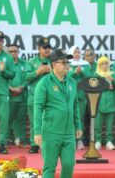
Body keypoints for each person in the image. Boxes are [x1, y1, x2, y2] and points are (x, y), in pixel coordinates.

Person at [34, 49, 82, 178]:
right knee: (49, 167)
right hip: (51, 132)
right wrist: (37, 131)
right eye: (64, 62)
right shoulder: (44, 83)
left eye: (68, 61)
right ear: (54, 64)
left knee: (68, 165)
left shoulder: (72, 82)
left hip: (69, 133)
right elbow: (37, 108)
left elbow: (75, 105)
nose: (67, 64)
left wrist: (78, 125)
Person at [25, 37, 52, 154]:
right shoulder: (31, 62)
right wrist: (38, 71)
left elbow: (63, 74)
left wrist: (52, 71)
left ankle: (49, 143)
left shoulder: (54, 60)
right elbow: (26, 77)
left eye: (49, 47)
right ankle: (34, 144)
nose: (47, 50)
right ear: (39, 48)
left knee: (50, 120)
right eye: (44, 47)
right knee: (34, 121)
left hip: (51, 96)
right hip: (35, 95)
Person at [68, 46, 90, 150]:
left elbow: (89, 78)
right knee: (69, 119)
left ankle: (79, 140)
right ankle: (70, 140)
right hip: (69, 96)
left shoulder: (85, 64)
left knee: (79, 119)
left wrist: (80, 71)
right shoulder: (67, 64)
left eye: (78, 52)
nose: (76, 54)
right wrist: (74, 72)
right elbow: (65, 77)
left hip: (81, 96)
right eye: (74, 52)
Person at [94, 56, 115, 150]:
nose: (104, 65)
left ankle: (109, 141)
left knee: (110, 125)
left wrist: (112, 80)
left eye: (106, 63)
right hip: (99, 103)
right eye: (102, 63)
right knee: (98, 125)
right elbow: (94, 87)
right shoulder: (96, 75)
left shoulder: (113, 74)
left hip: (111, 102)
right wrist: (106, 84)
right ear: (99, 65)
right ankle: (98, 141)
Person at [7, 44, 29, 148]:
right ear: (7, 52)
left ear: (18, 52)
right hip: (9, 96)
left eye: (15, 51)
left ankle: (22, 141)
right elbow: (2, 79)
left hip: (22, 95)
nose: (13, 53)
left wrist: (21, 87)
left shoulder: (25, 64)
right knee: (8, 119)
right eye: (10, 51)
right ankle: (7, 139)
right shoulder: (5, 64)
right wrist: (11, 89)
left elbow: (27, 78)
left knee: (22, 120)